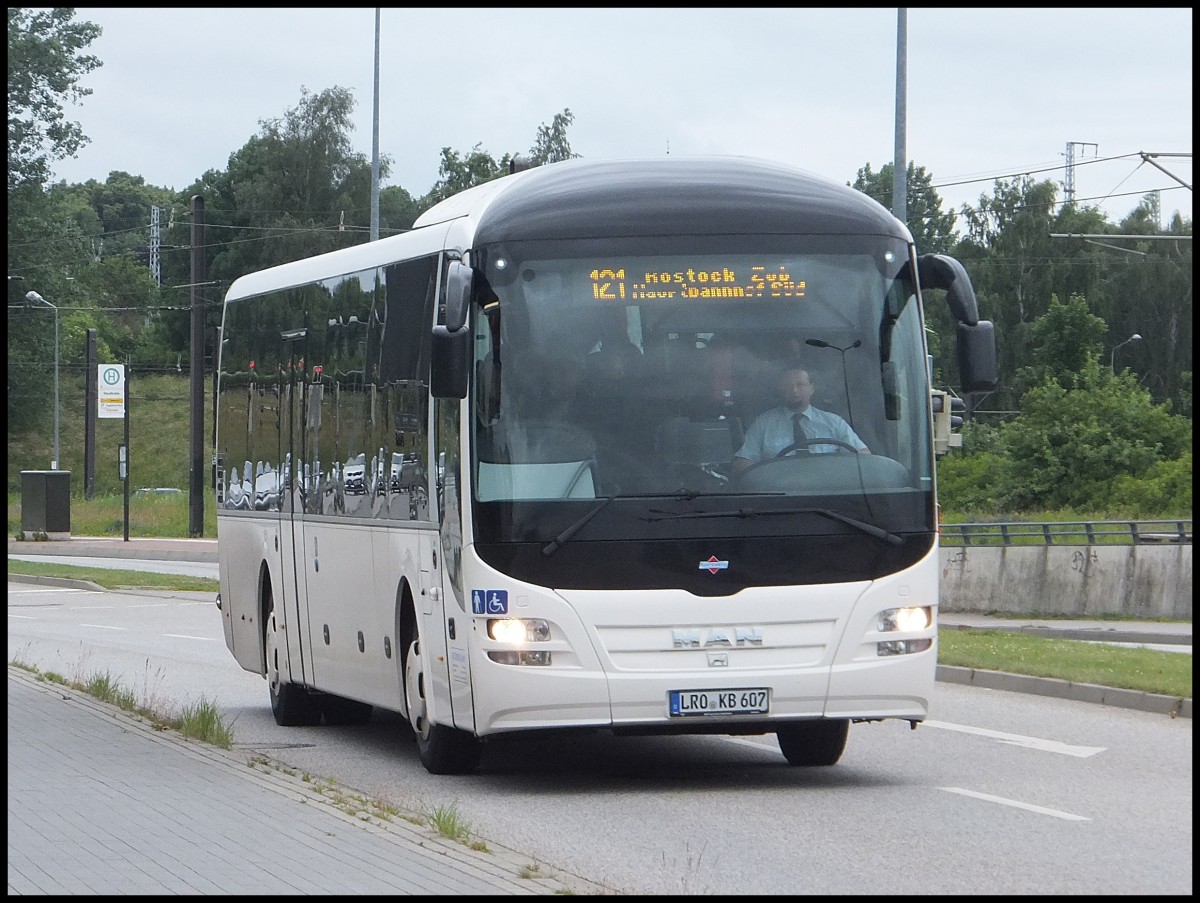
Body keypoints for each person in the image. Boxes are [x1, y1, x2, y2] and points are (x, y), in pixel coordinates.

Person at [732, 358, 868, 476]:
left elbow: (863, 457)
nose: (794, 390)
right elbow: (743, 463)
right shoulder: (763, 424)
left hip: (828, 494)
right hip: (779, 498)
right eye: (788, 386)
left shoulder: (834, 423)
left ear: (812, 388)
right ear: (780, 389)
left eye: (800, 385)